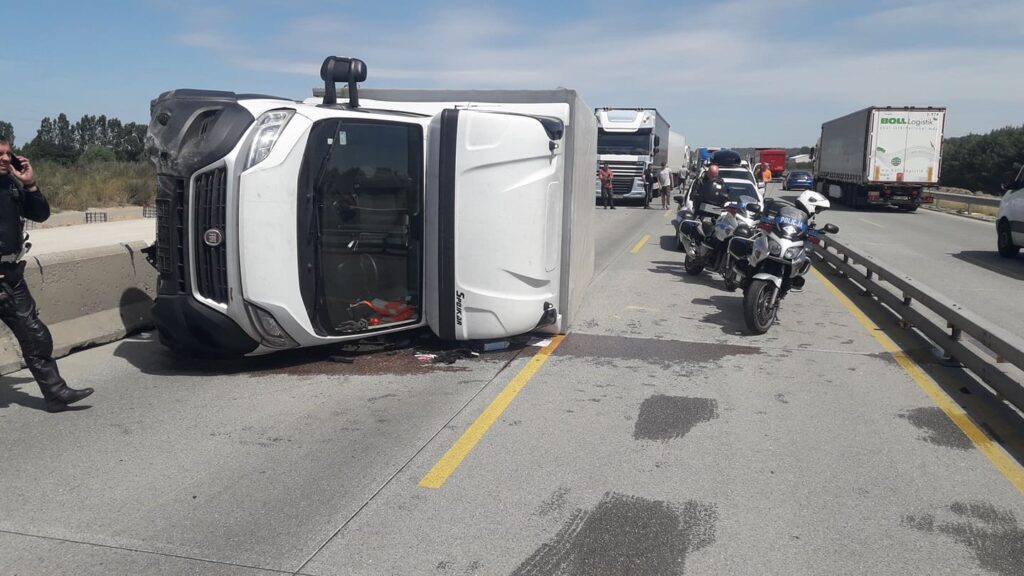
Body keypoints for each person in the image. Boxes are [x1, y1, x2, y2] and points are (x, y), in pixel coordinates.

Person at [0, 137, 93, 412]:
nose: (5, 158)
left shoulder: (10, 185)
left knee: (35, 334)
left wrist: (30, 185)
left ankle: (55, 393)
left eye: (8, 153)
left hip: (10, 275)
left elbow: (40, 215)